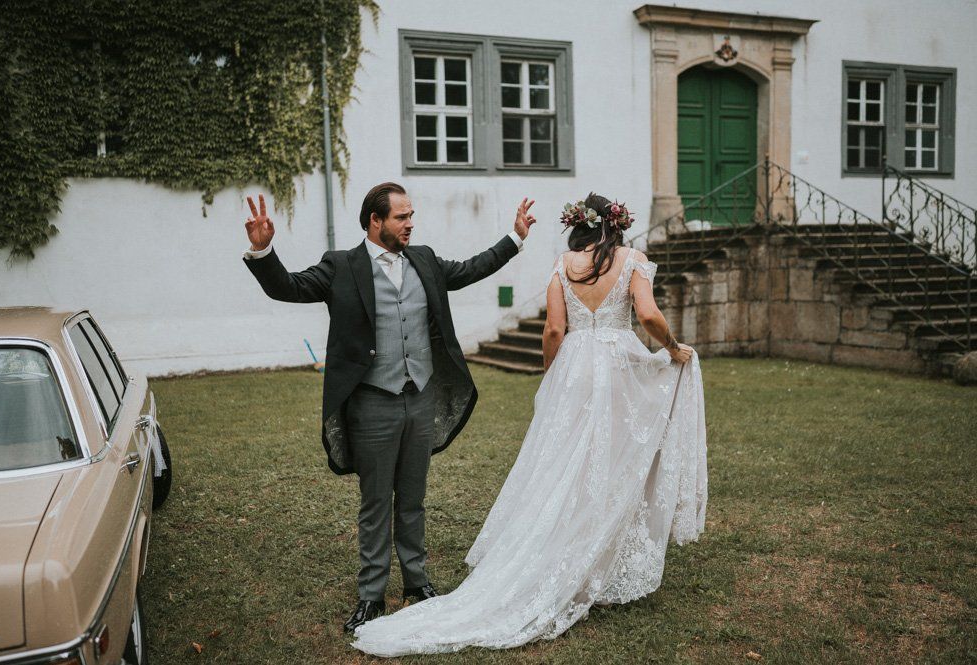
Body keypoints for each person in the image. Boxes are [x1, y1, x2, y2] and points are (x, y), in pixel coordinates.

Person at [350, 192, 708, 657]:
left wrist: (552, 376)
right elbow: (648, 315)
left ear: (579, 226)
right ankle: (598, 565)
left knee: (564, 469)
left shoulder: (563, 265)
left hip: (574, 370)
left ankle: (570, 556)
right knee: (611, 464)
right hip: (619, 368)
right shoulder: (632, 260)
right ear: (615, 226)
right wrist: (673, 348)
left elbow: (554, 330)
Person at [241, 184, 537, 633]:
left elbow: (470, 269)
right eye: (402, 217)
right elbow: (289, 287)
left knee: (413, 498)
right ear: (375, 221)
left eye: (411, 215)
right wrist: (264, 252)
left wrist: (514, 238)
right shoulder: (341, 266)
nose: (410, 223)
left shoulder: (424, 260)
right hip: (372, 403)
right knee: (376, 502)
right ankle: (371, 595)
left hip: (420, 398)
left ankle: (417, 583)